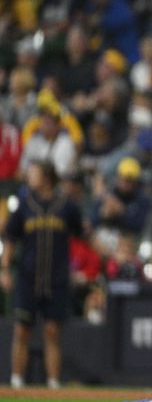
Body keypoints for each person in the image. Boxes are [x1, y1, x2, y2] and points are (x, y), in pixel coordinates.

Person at [1, 161, 84, 390]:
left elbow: (81, 233)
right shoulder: (24, 205)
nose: (29, 177)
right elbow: (10, 238)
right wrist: (5, 269)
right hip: (28, 277)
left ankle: (53, 383)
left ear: (47, 176)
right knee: (21, 328)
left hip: (56, 278)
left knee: (52, 330)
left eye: (34, 173)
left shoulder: (66, 205)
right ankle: (17, 380)